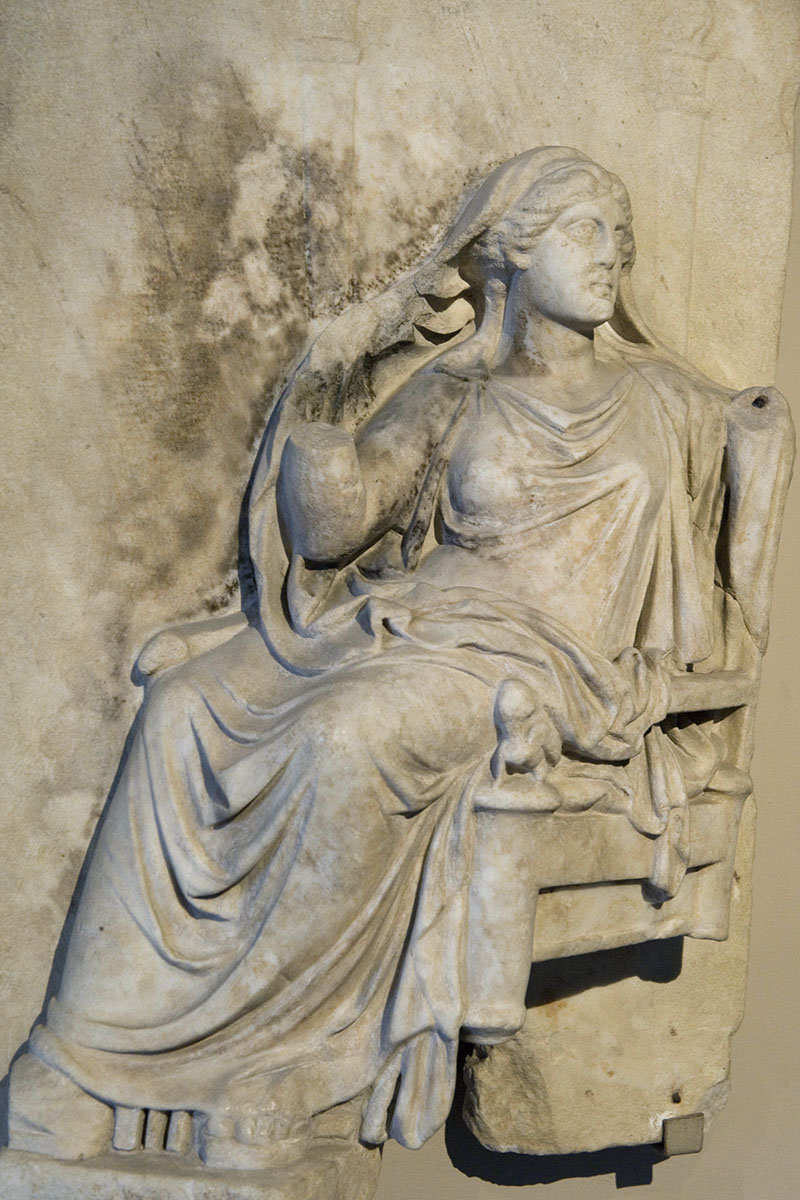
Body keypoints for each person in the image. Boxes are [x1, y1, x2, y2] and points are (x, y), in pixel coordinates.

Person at [7, 147, 792, 1172]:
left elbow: (740, 532)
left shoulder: (662, 397)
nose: (612, 255)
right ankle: (78, 1056)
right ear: (508, 255)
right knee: (182, 710)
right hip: (405, 624)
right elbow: (336, 528)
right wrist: (331, 384)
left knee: (348, 736)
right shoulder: (454, 390)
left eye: (620, 236)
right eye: (584, 231)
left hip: (543, 670)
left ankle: (287, 1060)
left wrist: (758, 444)